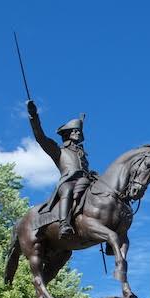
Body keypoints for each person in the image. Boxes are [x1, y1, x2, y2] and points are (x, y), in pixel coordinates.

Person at [27, 99, 92, 238]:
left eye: (79, 131)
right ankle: (64, 224)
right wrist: (34, 116)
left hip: (85, 181)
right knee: (68, 189)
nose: (78, 133)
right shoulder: (58, 150)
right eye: (75, 131)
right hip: (68, 181)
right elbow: (40, 137)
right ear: (67, 134)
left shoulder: (81, 153)